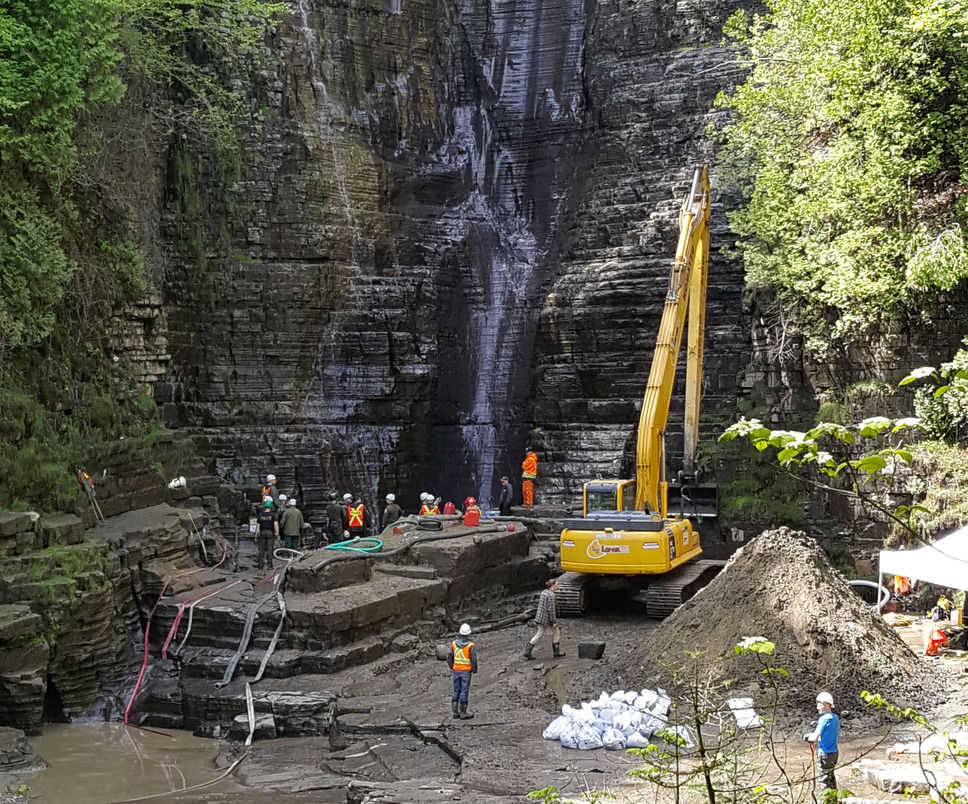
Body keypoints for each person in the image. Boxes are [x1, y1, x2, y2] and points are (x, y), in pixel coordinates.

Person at [804, 691, 840, 791]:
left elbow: (814, 738)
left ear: (826, 704)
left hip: (825, 754)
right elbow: (827, 735)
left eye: (819, 705)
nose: (817, 708)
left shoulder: (824, 719)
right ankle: (834, 800)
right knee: (831, 778)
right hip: (834, 753)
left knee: (824, 781)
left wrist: (807, 737)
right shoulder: (835, 718)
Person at [525, 578, 565, 659]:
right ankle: (556, 652)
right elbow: (551, 610)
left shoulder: (544, 592)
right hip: (546, 618)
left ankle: (528, 651)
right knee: (556, 632)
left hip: (540, 617)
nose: (558, 586)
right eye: (557, 584)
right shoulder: (551, 595)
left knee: (539, 633)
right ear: (553, 585)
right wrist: (553, 621)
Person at [449, 623, 478, 720]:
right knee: (464, 691)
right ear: (469, 633)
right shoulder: (470, 645)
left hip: (456, 670)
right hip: (466, 671)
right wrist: (474, 669)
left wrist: (452, 666)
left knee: (456, 690)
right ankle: (463, 712)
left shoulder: (453, 644)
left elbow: (449, 657)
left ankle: (455, 712)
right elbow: (473, 659)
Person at [255, 498, 279, 570]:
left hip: (262, 532)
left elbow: (257, 526)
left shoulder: (260, 515)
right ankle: (269, 566)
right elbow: (275, 525)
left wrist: (256, 535)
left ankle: (260, 565)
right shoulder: (273, 515)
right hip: (270, 533)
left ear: (264, 506)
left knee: (261, 549)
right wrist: (277, 533)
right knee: (269, 549)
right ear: (270, 507)